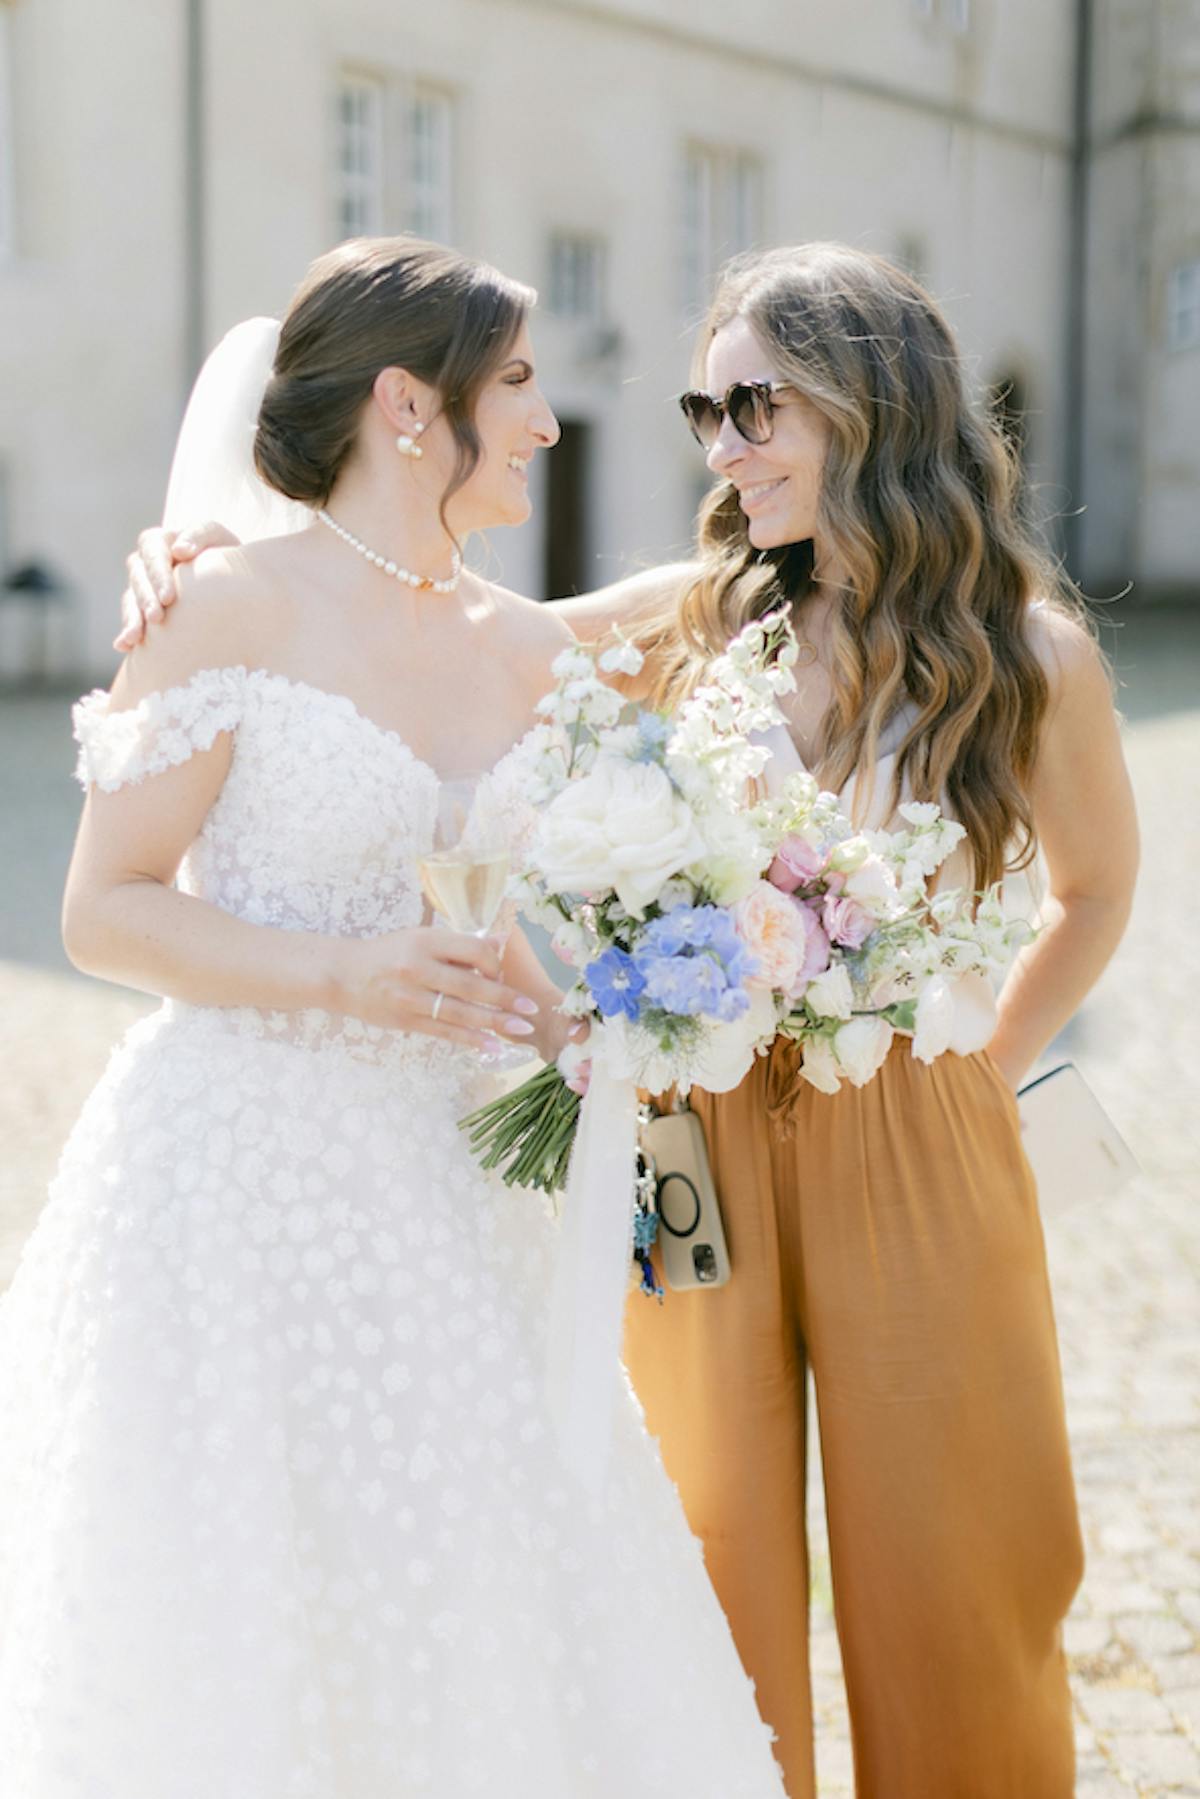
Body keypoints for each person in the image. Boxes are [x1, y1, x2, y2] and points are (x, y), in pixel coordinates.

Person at [119, 242, 1140, 1799]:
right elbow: (424, 616)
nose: (720, 447)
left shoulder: (1031, 659)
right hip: (685, 1136)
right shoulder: (692, 620)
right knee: (702, 1548)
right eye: (704, 409)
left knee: (963, 1558)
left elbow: (1098, 892)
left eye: (755, 405)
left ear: (870, 403)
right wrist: (196, 557)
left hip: (927, 1126)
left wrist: (985, 1076)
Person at [0, 236, 788, 1799]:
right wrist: (341, 976)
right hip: (234, 1185)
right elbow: (105, 910)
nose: (552, 422)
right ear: (406, 408)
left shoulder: (521, 644)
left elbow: (697, 615)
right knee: (248, 1596)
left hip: (451, 1180)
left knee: (474, 1552)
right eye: (517, 384)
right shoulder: (217, 604)